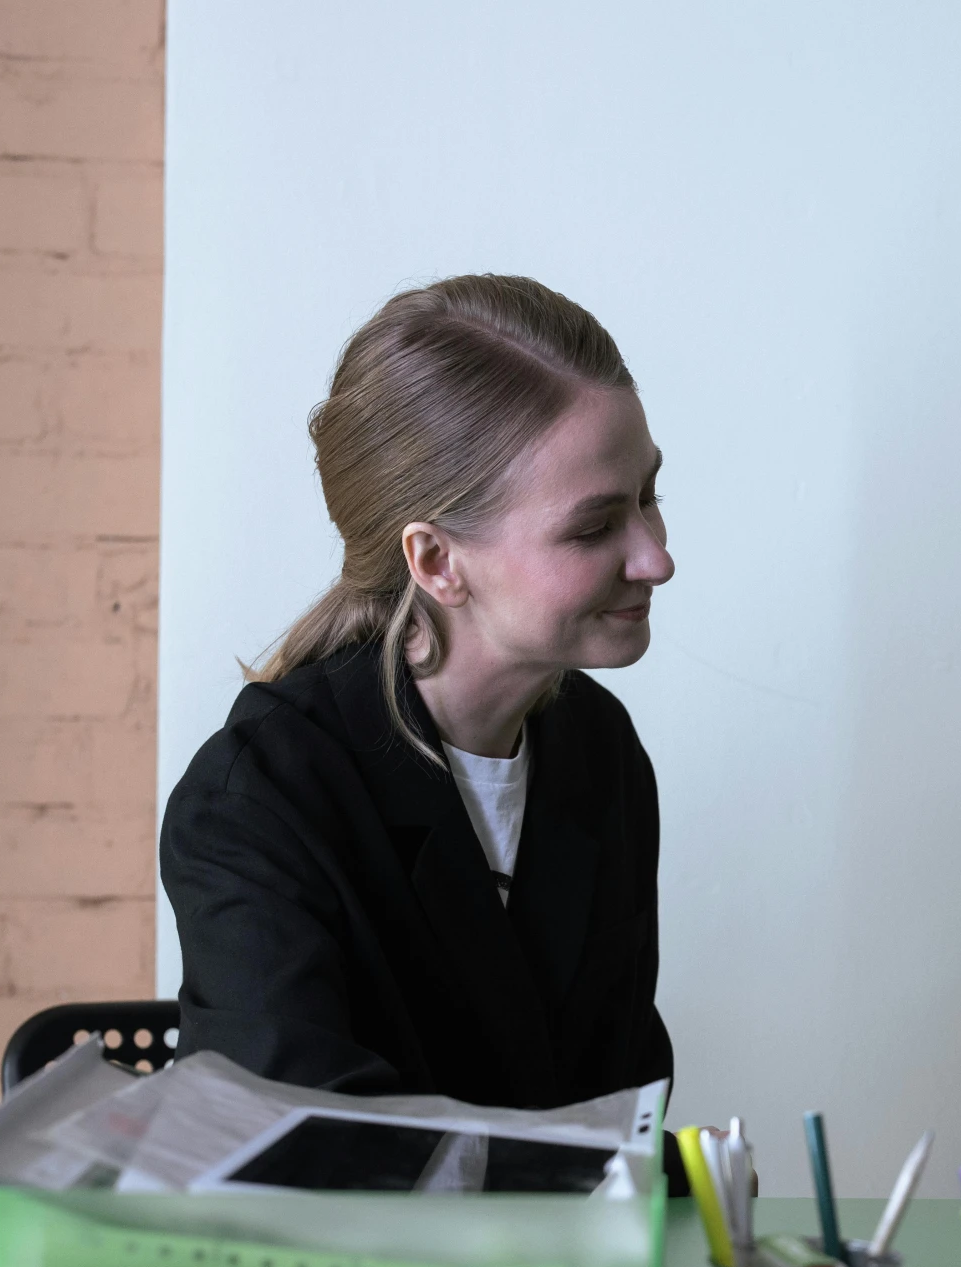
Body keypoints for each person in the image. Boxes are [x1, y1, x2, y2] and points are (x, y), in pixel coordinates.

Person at [161, 274, 679, 1123]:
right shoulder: (256, 801)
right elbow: (308, 1151)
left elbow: (621, 1112)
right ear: (436, 561)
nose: (655, 557)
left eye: (648, 496)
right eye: (594, 527)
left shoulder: (600, 754)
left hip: (558, 1258)